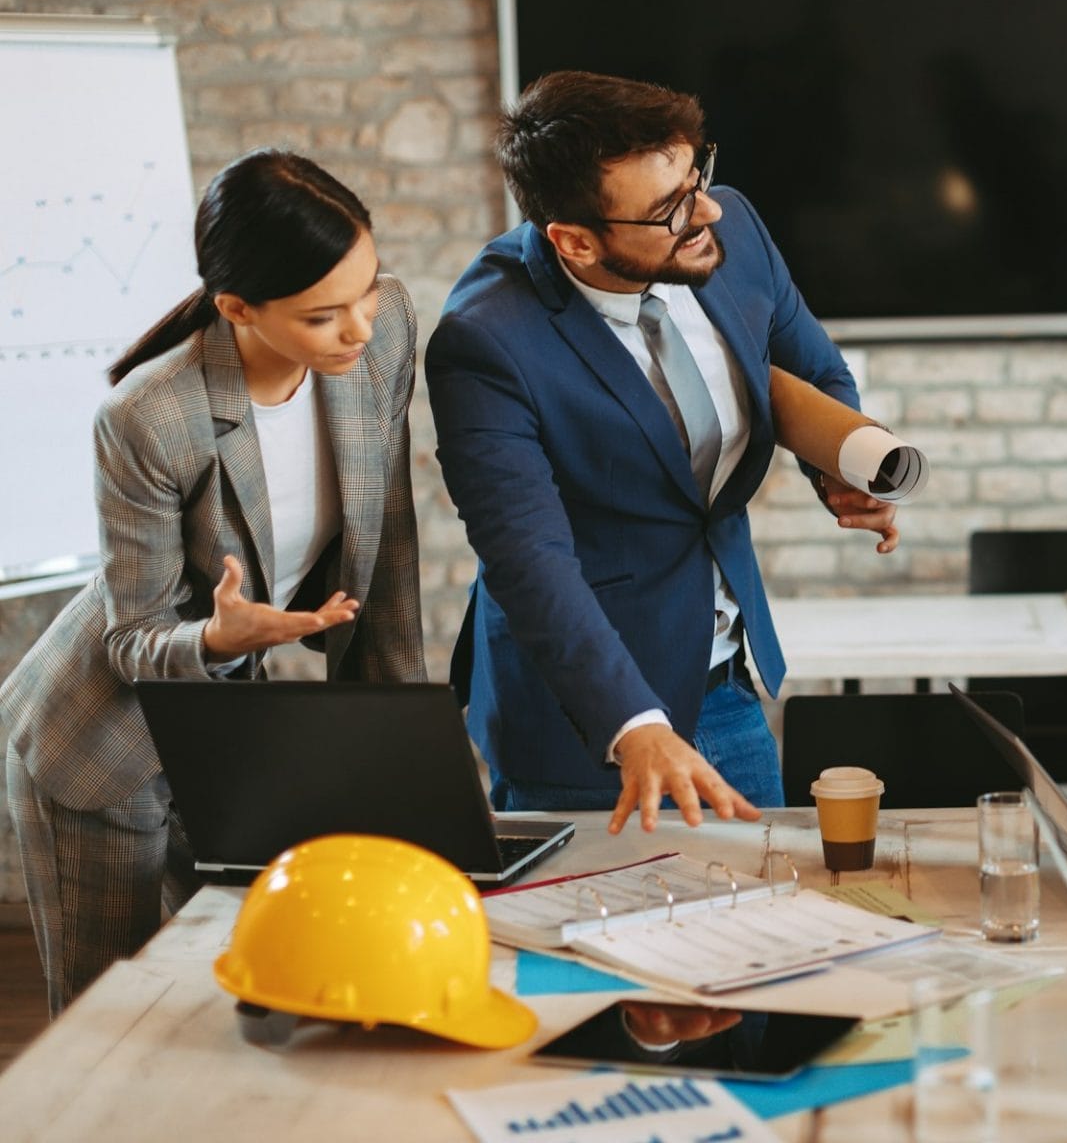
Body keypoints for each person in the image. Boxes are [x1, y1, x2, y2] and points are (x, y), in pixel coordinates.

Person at [2, 150, 425, 1013]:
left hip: (226, 733)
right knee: (113, 1018)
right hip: (102, 743)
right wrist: (218, 640)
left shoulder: (383, 337)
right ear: (237, 307)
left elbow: (390, 555)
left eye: (369, 290)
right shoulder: (152, 416)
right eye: (322, 316)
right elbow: (131, 638)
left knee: (256, 987)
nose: (358, 327)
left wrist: (402, 751)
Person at [426, 71, 897, 837]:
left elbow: (813, 369)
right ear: (576, 240)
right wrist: (632, 724)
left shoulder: (728, 228)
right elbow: (528, 557)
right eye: (670, 209)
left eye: (697, 175)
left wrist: (836, 464)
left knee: (763, 930)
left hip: (727, 687)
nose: (705, 209)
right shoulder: (485, 342)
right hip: (590, 720)